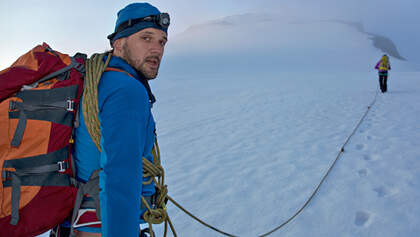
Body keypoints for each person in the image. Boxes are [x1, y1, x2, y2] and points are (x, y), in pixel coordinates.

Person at [71, 3, 169, 237]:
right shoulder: (126, 90)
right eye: (146, 38)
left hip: (83, 216)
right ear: (119, 43)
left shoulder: (101, 78)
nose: (156, 49)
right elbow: (119, 177)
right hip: (103, 221)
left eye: (162, 41)